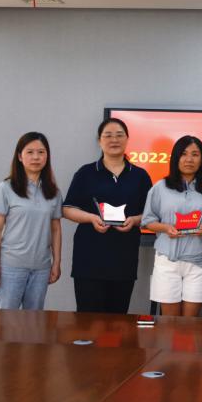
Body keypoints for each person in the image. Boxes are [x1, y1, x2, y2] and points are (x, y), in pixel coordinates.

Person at [63, 118, 152, 314]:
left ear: (127, 139)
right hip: (89, 259)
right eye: (108, 135)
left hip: (123, 258)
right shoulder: (86, 173)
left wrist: (135, 220)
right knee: (87, 320)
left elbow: (151, 215)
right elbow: (67, 209)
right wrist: (91, 218)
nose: (114, 140)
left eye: (119, 135)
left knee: (117, 321)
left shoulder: (140, 176)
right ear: (99, 140)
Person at [141, 135, 202, 317]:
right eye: (183, 154)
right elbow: (147, 221)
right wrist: (165, 228)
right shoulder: (160, 187)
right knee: (169, 323)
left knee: (190, 323)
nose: (189, 159)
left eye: (195, 154)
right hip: (167, 261)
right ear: (176, 158)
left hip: (198, 262)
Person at [0, 132, 62, 310]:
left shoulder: (53, 192)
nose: (36, 157)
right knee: (4, 322)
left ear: (47, 157)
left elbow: (56, 230)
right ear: (20, 156)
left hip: (41, 268)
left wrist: (56, 263)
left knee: (34, 322)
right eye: (30, 152)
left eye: (41, 152)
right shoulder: (5, 188)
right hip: (10, 267)